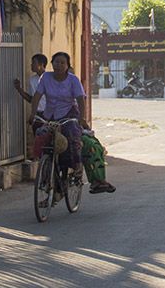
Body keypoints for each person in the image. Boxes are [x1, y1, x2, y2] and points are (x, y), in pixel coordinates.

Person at [29, 52, 115, 194]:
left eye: (62, 63)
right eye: (56, 62)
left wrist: (82, 118)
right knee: (42, 136)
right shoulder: (46, 78)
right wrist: (33, 114)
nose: (59, 65)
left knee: (72, 137)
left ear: (67, 66)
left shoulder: (73, 80)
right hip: (50, 115)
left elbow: (81, 100)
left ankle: (76, 168)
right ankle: (45, 168)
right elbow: (37, 96)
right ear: (52, 64)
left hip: (68, 114)